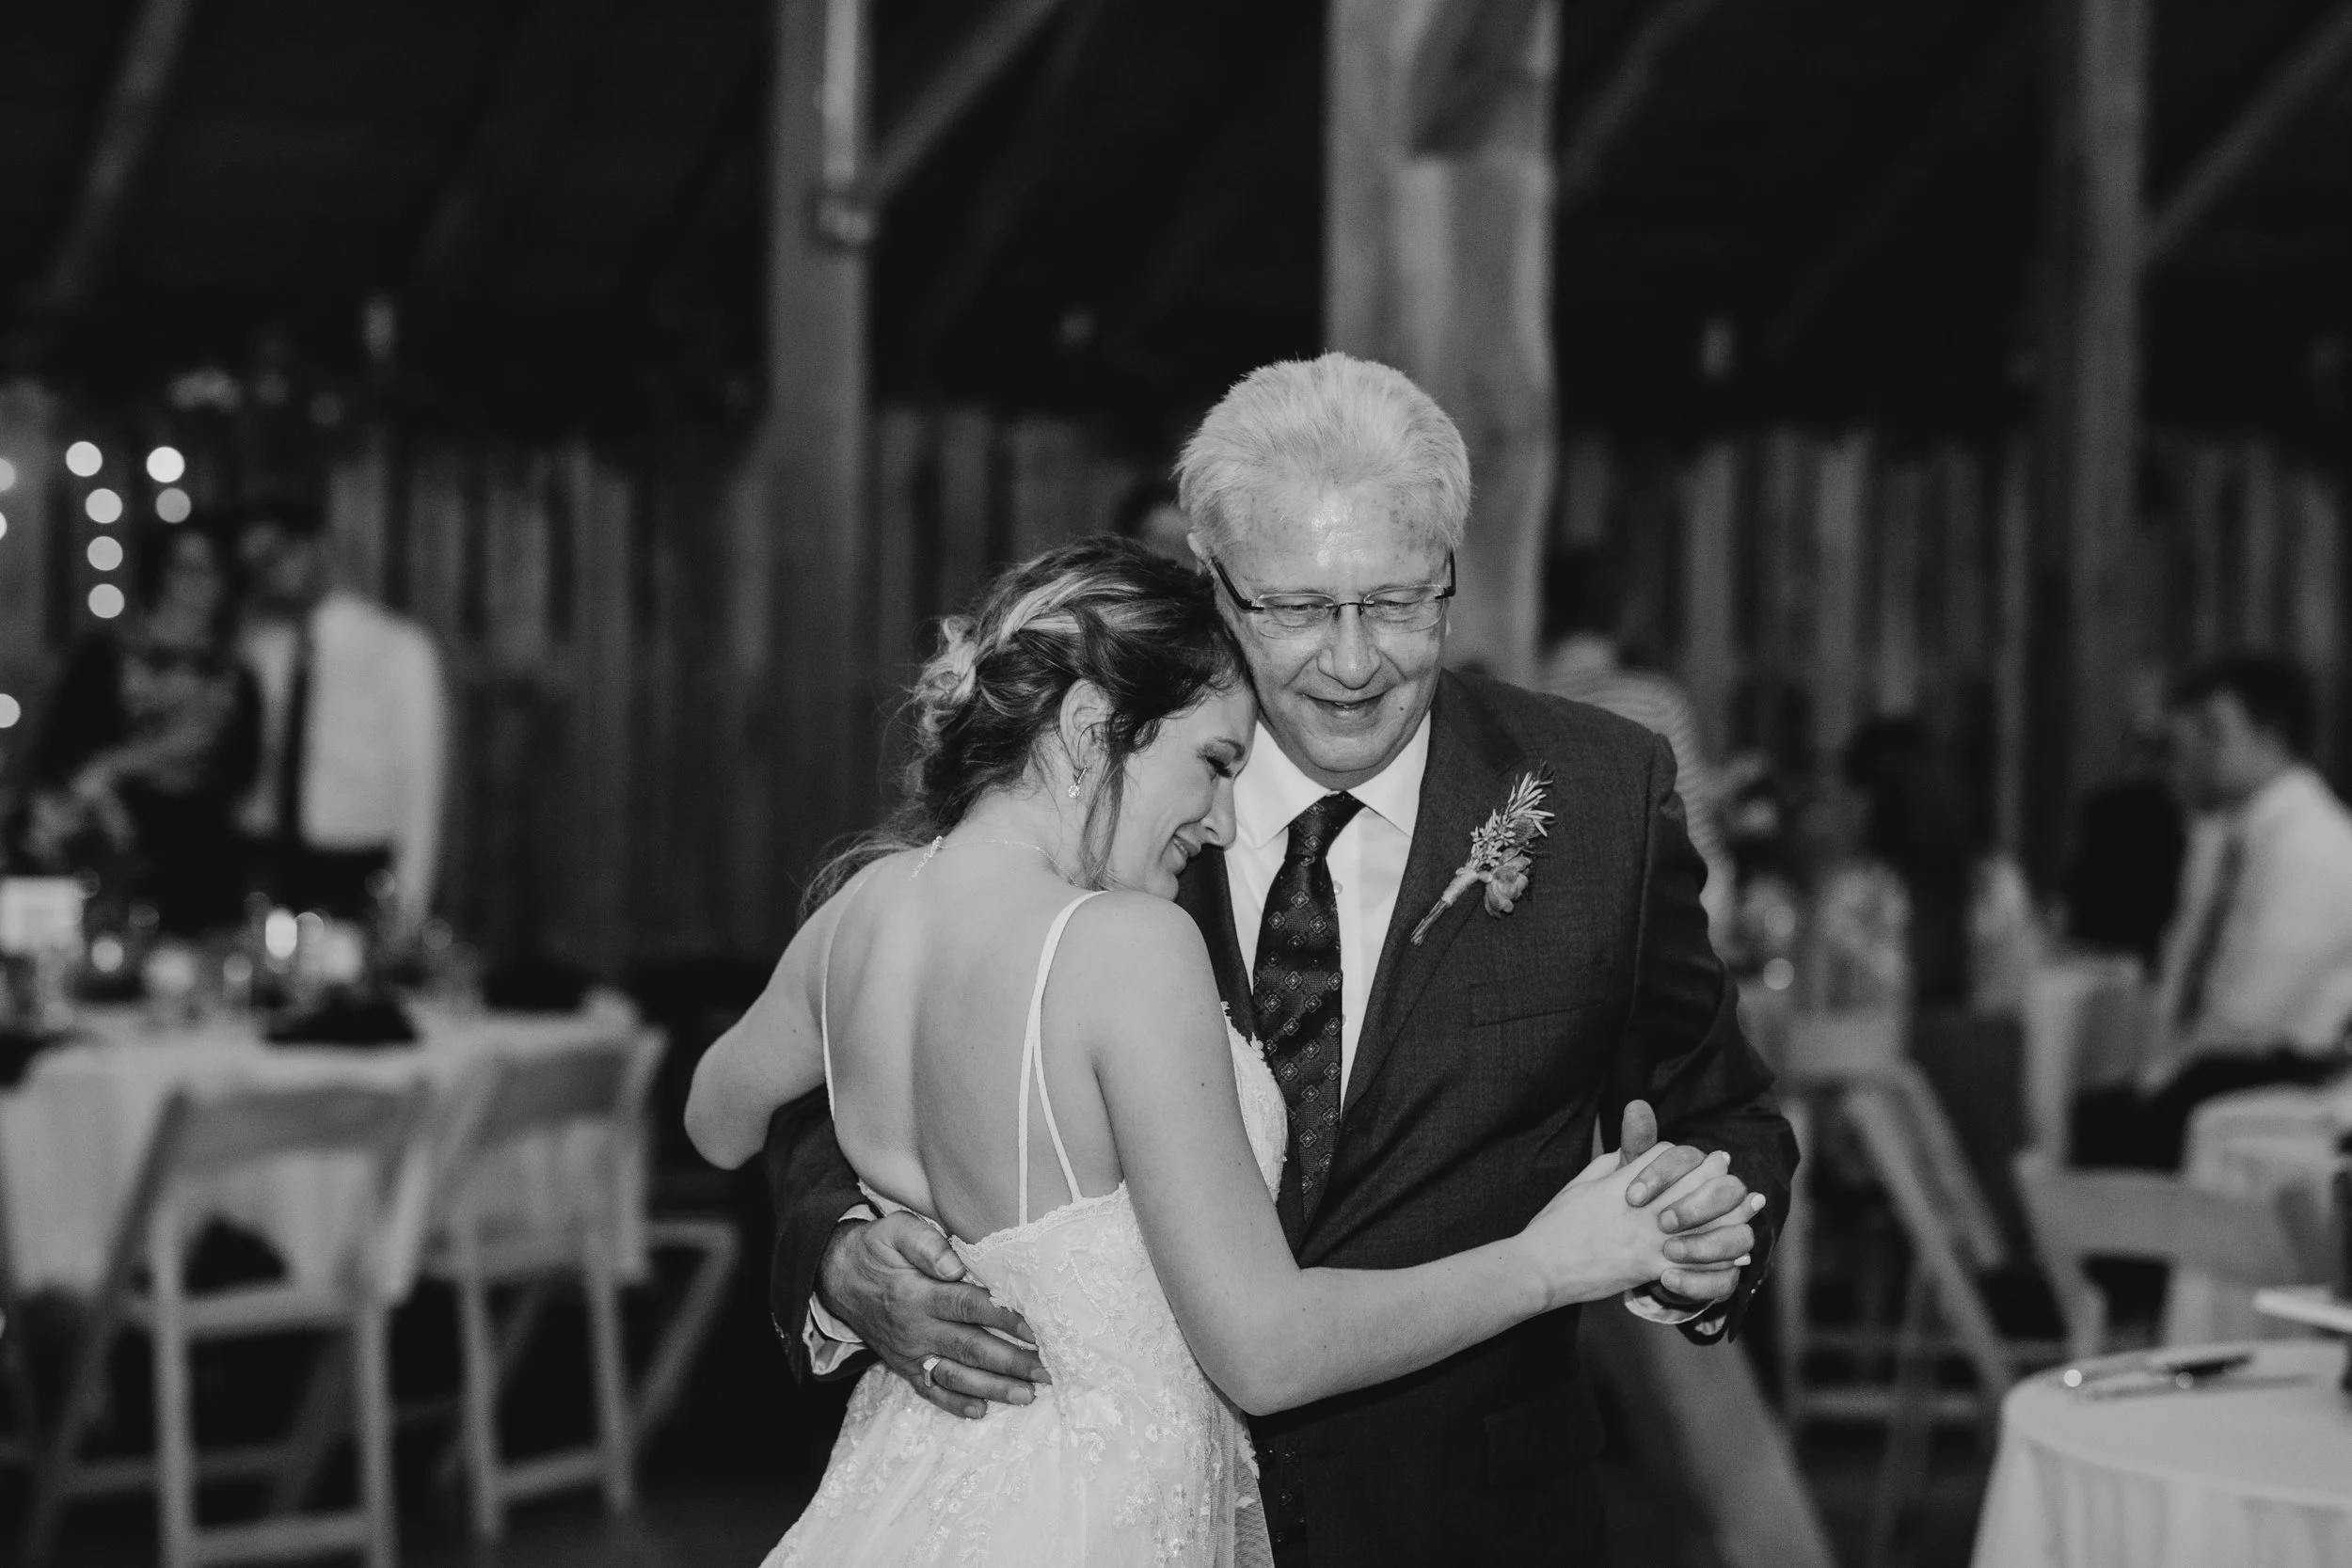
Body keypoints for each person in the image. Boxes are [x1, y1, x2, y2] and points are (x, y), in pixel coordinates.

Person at [747, 355, 1797, 1565]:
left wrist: (1703, 1237)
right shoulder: (1089, 789)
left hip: (1466, 1521)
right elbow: (850, 1057)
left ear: (1452, 572)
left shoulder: (1602, 793)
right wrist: (837, 1252)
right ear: (1212, 582)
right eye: (1295, 608)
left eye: (1397, 602)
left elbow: (1723, 1110)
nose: (1352, 661)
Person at [2074, 655, 2352, 1168]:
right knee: (2094, 1113)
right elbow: (2185, 967)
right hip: (2216, 1063)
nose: (2193, 750)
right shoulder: (2227, 835)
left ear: (2271, 736)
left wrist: (2162, 1079)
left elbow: (2251, 1014)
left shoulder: (2315, 845)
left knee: (2110, 1127)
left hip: (2280, 1073)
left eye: (2212, 732)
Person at [15, 523, 260, 933]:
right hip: (110, 848)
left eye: (211, 570)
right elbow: (59, 753)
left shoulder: (236, 673)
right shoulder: (104, 656)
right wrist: (123, 769)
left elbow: (242, 772)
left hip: (202, 859)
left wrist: (125, 764)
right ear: (158, 572)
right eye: (184, 568)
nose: (197, 584)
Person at [230, 498, 446, 933]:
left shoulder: (397, 647)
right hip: (263, 855)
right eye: (254, 564)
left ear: (316, 546)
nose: (269, 573)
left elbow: (422, 782)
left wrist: (408, 903)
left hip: (351, 861)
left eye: (276, 555)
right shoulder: (258, 646)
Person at [1538, 546, 1735, 942]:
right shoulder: (1656, 702)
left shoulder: (1517, 699)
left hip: (1545, 924)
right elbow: (1692, 841)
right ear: (1623, 614)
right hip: (1637, 936)